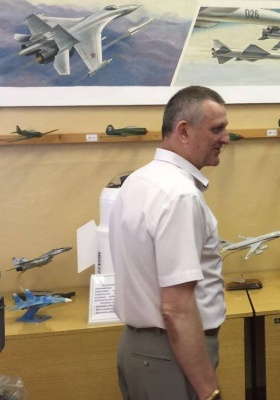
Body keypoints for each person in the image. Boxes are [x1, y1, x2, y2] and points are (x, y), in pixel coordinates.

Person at [110, 86, 230, 400]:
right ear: (183, 131)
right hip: (172, 355)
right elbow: (176, 310)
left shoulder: (138, 180)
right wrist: (209, 392)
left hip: (140, 349)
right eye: (217, 129)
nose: (226, 138)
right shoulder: (180, 195)